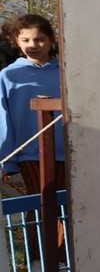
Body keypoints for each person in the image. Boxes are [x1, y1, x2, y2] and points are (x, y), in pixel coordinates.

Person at [0, 14, 65, 195]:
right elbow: (4, 121)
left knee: (66, 208)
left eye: (39, 39)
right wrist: (8, 160)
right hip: (30, 152)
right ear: (17, 42)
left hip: (67, 150)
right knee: (40, 202)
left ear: (51, 40)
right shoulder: (8, 76)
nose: (33, 45)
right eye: (25, 40)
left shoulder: (65, 73)